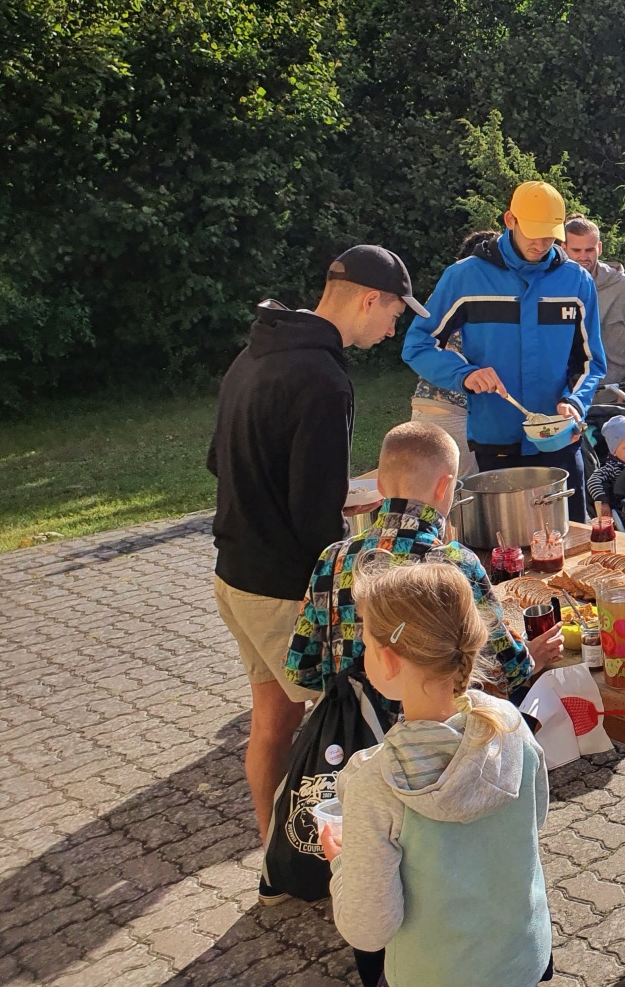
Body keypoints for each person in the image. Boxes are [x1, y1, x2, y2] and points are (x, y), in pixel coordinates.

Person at [207, 244, 426, 889]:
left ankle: (275, 860)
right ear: (369, 299)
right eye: (394, 314)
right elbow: (312, 518)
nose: (392, 330)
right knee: (344, 725)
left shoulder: (255, 353)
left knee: (272, 720)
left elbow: (220, 463)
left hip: (233, 574)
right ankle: (344, 873)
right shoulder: (325, 379)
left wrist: (327, 495)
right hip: (284, 586)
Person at [323, 561, 555, 987]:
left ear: (388, 661)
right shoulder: (510, 724)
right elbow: (534, 817)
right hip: (522, 958)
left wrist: (342, 863)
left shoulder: (375, 782)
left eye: (366, 643)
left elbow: (368, 929)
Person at [283, 421, 562, 730]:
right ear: (444, 486)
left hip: (347, 739)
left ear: (381, 486)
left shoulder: (332, 557)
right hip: (433, 742)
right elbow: (509, 667)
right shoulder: (452, 562)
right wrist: (531, 658)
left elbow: (300, 668)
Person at [402, 181, 605, 521]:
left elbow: (591, 361)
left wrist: (575, 402)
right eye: (534, 233)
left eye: (550, 236)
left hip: (560, 440)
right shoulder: (464, 277)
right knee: (503, 543)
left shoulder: (576, 282)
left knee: (572, 540)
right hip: (495, 443)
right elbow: (418, 345)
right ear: (510, 220)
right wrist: (464, 375)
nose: (542, 244)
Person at [408, 232, 500, 481]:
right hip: (455, 414)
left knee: (428, 494)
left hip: (424, 408)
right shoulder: (481, 298)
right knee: (465, 495)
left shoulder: (445, 293)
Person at [564, 214, 625, 387]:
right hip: (566, 393)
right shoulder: (552, 287)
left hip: (615, 391)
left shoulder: (622, 286)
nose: (583, 257)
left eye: (589, 250)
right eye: (576, 250)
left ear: (599, 248)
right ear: (563, 249)